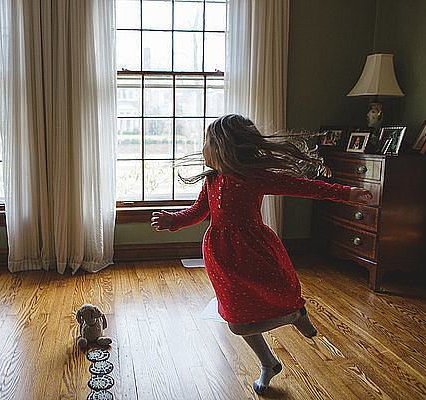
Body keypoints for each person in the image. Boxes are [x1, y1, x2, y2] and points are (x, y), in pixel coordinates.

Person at [151, 115, 372, 394]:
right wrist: (174, 221)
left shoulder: (253, 178)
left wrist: (345, 193)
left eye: (206, 142)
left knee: (274, 290)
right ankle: (269, 362)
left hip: (253, 248)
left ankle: (295, 313)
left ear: (222, 147)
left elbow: (303, 188)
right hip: (221, 256)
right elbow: (199, 211)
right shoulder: (211, 180)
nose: (202, 148)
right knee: (236, 319)